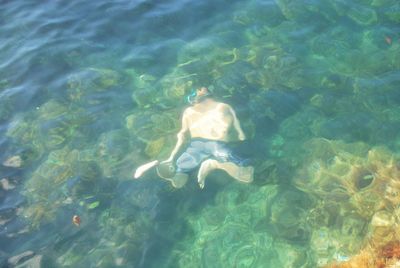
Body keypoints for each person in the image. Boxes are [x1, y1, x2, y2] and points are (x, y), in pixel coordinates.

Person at [162, 87, 254, 189]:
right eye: (197, 90)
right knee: (246, 168)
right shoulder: (222, 106)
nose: (199, 90)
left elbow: (181, 134)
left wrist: (172, 157)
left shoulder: (190, 111)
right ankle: (215, 164)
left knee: (180, 172)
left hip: (198, 145)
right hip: (215, 145)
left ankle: (213, 164)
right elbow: (236, 121)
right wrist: (241, 134)